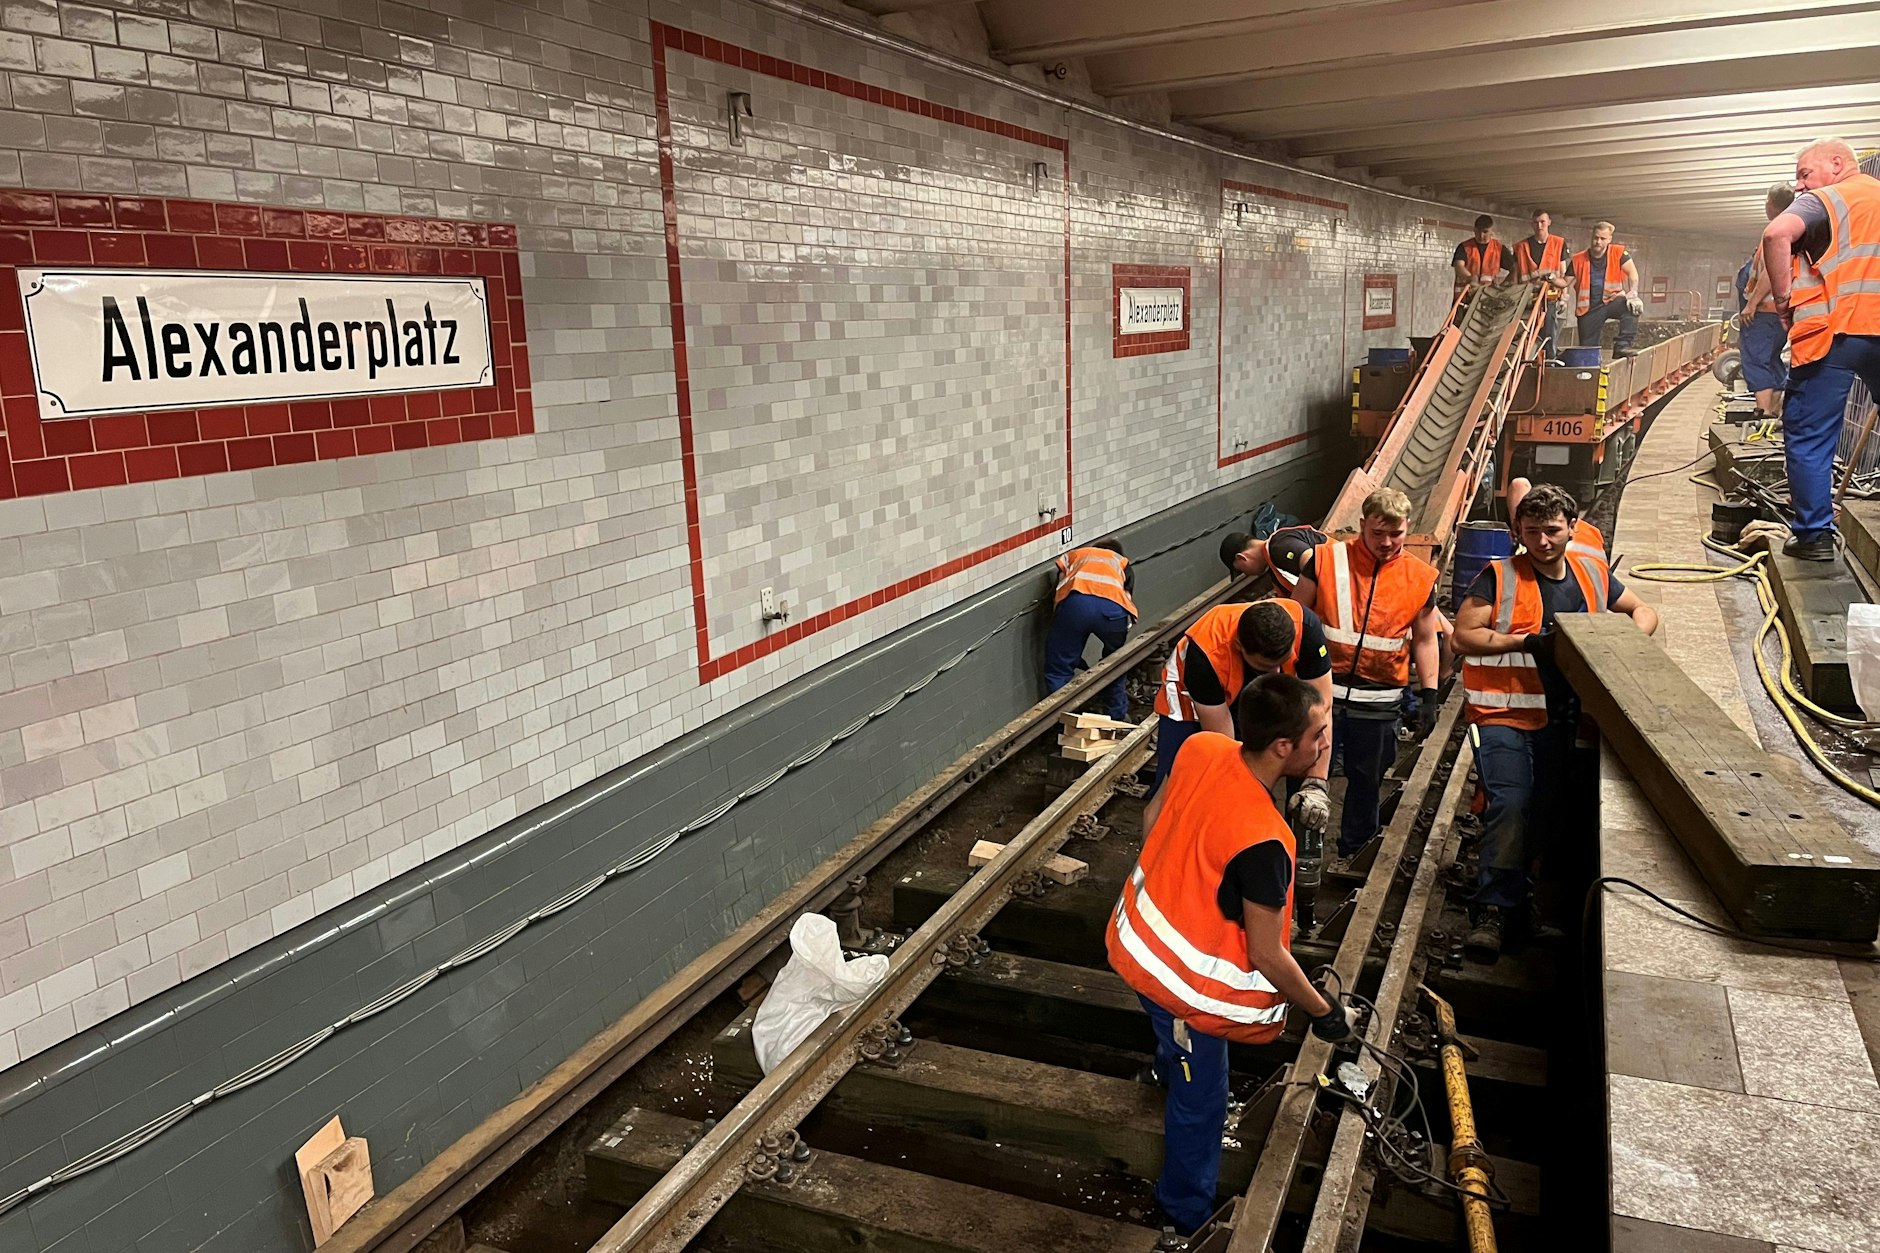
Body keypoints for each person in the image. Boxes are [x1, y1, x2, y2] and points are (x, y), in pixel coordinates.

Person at [1107, 674, 1359, 1239]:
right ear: (1282, 747)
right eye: (1318, 735)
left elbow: (1154, 822)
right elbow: (1268, 955)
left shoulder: (1203, 747)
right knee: (1203, 1102)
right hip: (1178, 988)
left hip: (1137, 937)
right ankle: (1183, 1214)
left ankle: (1165, 1063)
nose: (1325, 745)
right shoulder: (1264, 841)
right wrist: (1322, 1013)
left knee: (1172, 1042)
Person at [1454, 484, 1658, 959]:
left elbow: (1643, 611)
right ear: (1518, 532)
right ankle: (1491, 911)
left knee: (1545, 813)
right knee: (1512, 802)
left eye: (1551, 531)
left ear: (1571, 526)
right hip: (1502, 712)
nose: (1542, 542)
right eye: (1531, 533)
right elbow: (1464, 636)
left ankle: (1521, 905)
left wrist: (1625, 639)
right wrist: (1525, 643)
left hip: (1562, 719)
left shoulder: (1590, 573)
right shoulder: (1499, 577)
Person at [1290, 489, 1442, 869]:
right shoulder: (1325, 561)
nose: (1387, 543)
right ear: (1362, 526)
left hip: (1378, 701)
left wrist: (1429, 695)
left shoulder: (1420, 578)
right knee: (1305, 775)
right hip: (1318, 696)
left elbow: (1425, 639)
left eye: (1397, 534)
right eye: (1378, 534)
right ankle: (1296, 851)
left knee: (1367, 780)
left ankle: (1354, 854)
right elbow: (1293, 618)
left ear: (1408, 528)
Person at [1761, 136, 1880, 562]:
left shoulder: (1826, 200)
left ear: (1836, 163)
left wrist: (1781, 301)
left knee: (1810, 436)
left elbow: (1776, 233)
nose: (1799, 185)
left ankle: (1813, 537)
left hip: (1836, 333)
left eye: (1804, 173)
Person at [1151, 598, 1333, 801]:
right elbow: (1222, 743)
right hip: (1188, 700)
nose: (1275, 673)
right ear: (1239, 646)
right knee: (1178, 784)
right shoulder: (1205, 654)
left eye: (1281, 663)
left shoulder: (1306, 628)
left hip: (1238, 684)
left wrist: (1316, 782)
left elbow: (1321, 711)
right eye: (1264, 667)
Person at [1044, 539, 1136, 720]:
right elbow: (1126, 597)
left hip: (1076, 606)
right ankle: (1117, 716)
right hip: (1112, 612)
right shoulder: (1121, 562)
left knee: (1058, 669)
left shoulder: (1077, 555)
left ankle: (1065, 721)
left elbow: (1060, 588)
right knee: (1114, 663)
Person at [1738, 183, 1797, 418]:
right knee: (1771, 360)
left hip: (1764, 312)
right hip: (1780, 313)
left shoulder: (1775, 232)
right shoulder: (1793, 230)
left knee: (1756, 361)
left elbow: (1771, 273)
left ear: (1771, 205)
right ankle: (1773, 413)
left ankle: (1761, 415)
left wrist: (1751, 304)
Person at [1570, 222, 1642, 357]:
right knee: (1588, 351)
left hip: (1612, 301)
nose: (1598, 242)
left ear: (1609, 239)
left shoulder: (1618, 253)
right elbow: (1564, 281)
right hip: (1589, 309)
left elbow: (1633, 273)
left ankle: (1622, 346)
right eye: (1595, 238)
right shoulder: (1578, 259)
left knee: (1631, 308)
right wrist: (1551, 279)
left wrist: (1633, 293)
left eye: (1602, 239)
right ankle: (1590, 372)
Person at [1507, 209, 1572, 357]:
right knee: (1524, 330)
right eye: (1536, 223)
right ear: (1532, 224)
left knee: (1549, 326)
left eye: (1542, 222)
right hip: (1526, 297)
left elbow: (1563, 273)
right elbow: (1516, 275)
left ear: (1549, 222)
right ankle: (1524, 357)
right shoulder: (1521, 247)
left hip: (1549, 296)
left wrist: (1564, 298)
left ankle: (1549, 357)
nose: (1539, 226)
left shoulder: (1558, 243)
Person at [1219, 522, 1329, 593]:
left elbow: (1313, 564)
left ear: (1242, 557)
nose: (1247, 574)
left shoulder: (1279, 546)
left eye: (1241, 571)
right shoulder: (1273, 566)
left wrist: (1299, 605)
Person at [1453, 214, 1505, 294]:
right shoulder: (1464, 247)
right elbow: (1459, 266)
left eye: (1485, 232)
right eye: (1478, 231)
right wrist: (1469, 278)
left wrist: (1504, 281)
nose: (1481, 236)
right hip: (1465, 297)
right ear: (1474, 229)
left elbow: (1514, 268)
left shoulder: (1499, 249)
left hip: (1489, 298)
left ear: (1491, 231)